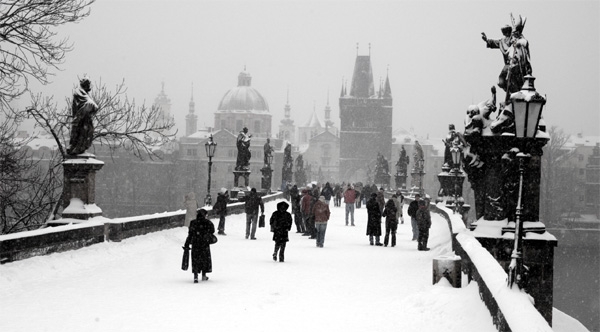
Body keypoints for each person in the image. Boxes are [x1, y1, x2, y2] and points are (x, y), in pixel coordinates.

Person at [67, 76, 99, 155]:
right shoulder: (79, 92)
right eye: (88, 85)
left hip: (83, 119)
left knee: (85, 133)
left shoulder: (83, 93)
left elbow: (92, 106)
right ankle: (77, 148)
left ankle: (78, 148)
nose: (89, 86)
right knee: (82, 133)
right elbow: (90, 104)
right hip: (81, 119)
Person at [183, 209, 215, 283]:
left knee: (195, 260)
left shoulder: (193, 223)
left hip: (195, 244)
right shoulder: (208, 223)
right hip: (204, 244)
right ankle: (204, 275)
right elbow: (212, 231)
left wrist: (187, 244)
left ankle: (195, 276)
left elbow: (190, 234)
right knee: (204, 260)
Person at [481, 24, 512, 92]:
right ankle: (509, 92)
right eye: (503, 31)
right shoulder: (502, 41)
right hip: (507, 65)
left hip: (515, 64)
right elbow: (494, 42)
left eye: (506, 31)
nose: (505, 33)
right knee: (500, 82)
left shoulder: (514, 40)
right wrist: (486, 40)